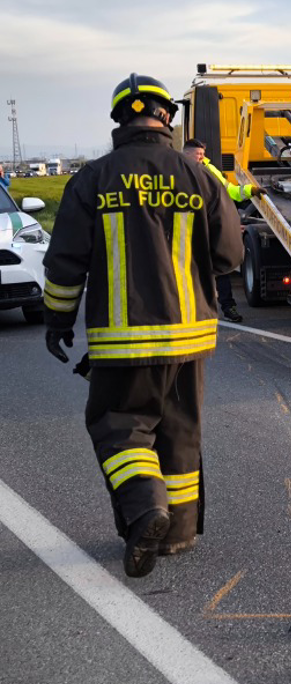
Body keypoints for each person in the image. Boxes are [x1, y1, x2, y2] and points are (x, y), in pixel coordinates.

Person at [42, 73, 243, 578]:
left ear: (119, 121)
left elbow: (65, 262)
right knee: (179, 431)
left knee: (119, 427)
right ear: (167, 117)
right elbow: (229, 254)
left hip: (121, 340)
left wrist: (57, 319)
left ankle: (145, 508)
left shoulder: (92, 179)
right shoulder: (198, 175)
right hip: (191, 337)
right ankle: (174, 536)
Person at [182, 138, 261, 322]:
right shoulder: (176, 172)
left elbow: (230, 192)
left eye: (202, 154)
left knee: (221, 269)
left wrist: (251, 191)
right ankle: (192, 311)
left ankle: (229, 307)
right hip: (187, 229)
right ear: (186, 154)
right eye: (198, 154)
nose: (201, 158)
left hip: (210, 226)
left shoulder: (210, 170)